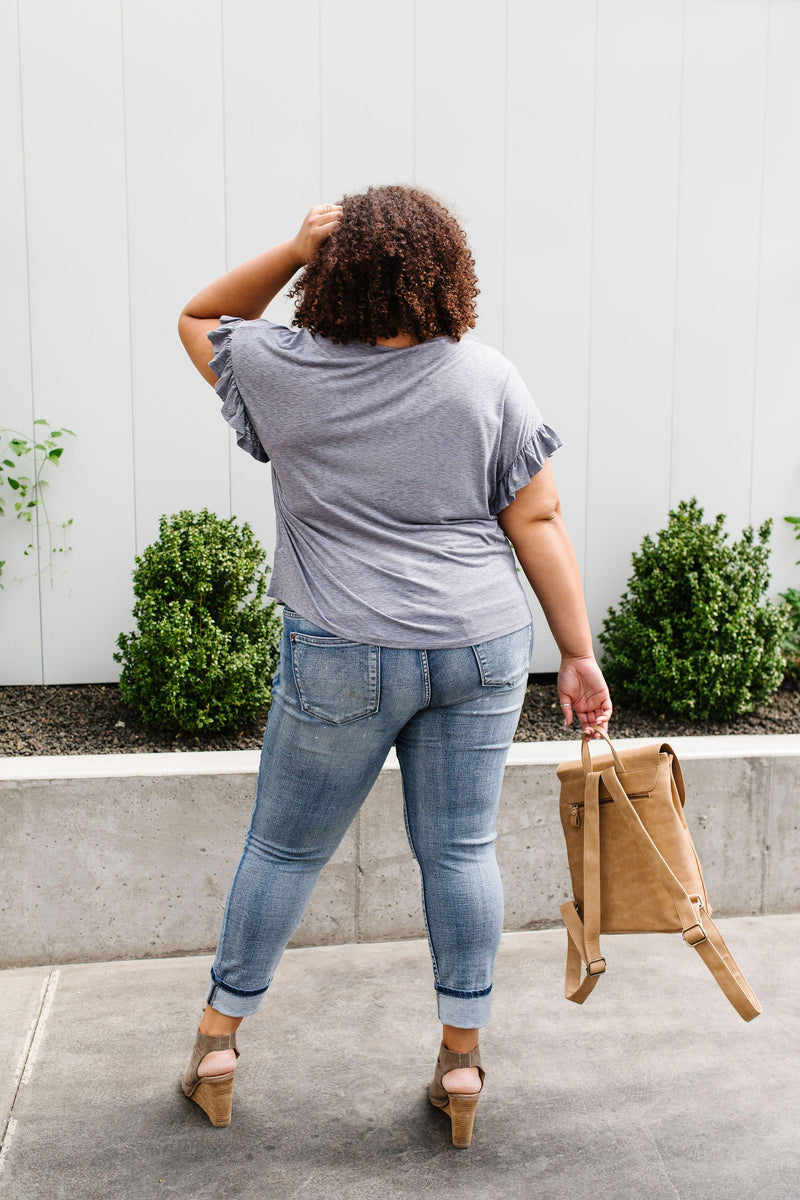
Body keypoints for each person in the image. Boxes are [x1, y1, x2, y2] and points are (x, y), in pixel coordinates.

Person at [177, 185, 612, 1147]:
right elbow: (536, 520)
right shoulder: (487, 377)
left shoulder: (279, 366)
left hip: (342, 647)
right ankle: (462, 1061)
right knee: (459, 851)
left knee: (284, 849)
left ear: (331, 279)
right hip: (480, 645)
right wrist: (577, 655)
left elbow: (200, 316)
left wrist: (293, 248)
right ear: (447, 271)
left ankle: (217, 1043)